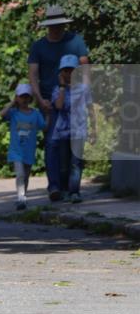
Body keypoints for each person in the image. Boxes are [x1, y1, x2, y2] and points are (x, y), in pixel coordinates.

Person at [28, 5, 89, 201]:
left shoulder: (75, 41)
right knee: (53, 144)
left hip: (74, 99)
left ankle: (70, 187)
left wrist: (84, 94)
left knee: (72, 146)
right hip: (49, 100)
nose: (57, 29)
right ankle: (54, 186)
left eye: (60, 25)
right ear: (47, 27)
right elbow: (33, 74)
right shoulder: (38, 46)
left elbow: (85, 69)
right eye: (53, 26)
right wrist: (39, 99)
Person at [50, 55, 97, 203]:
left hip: (79, 131)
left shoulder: (84, 89)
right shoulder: (57, 90)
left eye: (71, 70)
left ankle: (75, 192)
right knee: (64, 165)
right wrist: (63, 87)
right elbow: (58, 106)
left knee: (76, 164)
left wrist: (94, 129)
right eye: (65, 71)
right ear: (61, 73)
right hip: (63, 133)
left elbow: (90, 109)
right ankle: (64, 190)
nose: (69, 74)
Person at [1, 84, 47, 211]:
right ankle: (20, 197)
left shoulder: (35, 114)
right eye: (22, 97)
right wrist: (12, 103)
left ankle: (23, 196)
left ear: (30, 98)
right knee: (20, 174)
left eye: (27, 97)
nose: (24, 100)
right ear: (17, 98)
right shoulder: (13, 113)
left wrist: (48, 113)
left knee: (26, 176)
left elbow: (44, 126)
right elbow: (1, 114)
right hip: (16, 151)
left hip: (29, 151)